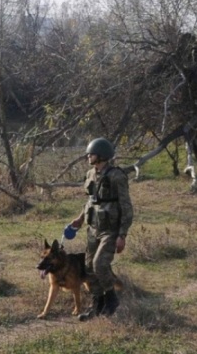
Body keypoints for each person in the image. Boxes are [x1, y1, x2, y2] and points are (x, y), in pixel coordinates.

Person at [69, 137, 133, 321]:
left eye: (92, 153)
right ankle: (97, 305)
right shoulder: (90, 174)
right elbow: (91, 200)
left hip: (110, 230)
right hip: (93, 227)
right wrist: (80, 219)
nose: (88, 156)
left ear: (102, 155)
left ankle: (111, 299)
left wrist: (122, 234)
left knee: (100, 264)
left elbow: (126, 206)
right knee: (88, 267)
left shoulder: (116, 176)